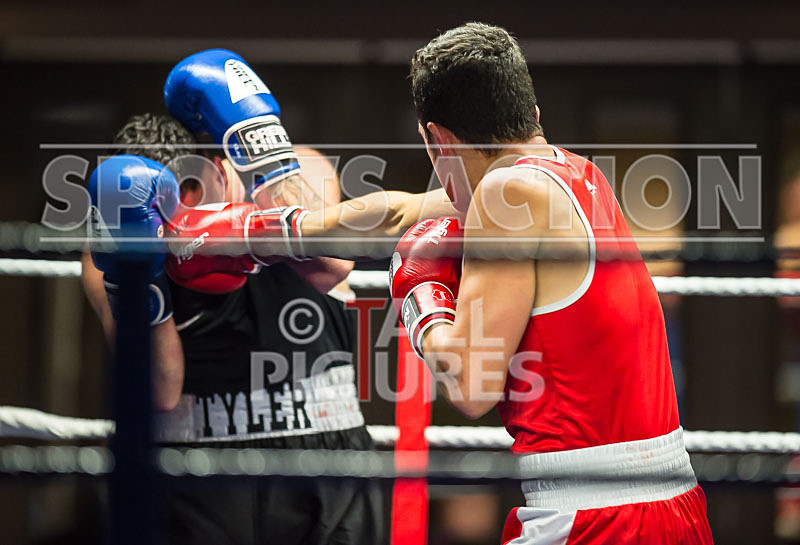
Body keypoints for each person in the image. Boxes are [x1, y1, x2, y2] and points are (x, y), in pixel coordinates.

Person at [388, 23, 714, 544]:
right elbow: (396, 211)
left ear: (439, 141)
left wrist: (421, 300)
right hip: (676, 505)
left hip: (593, 517)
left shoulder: (504, 194)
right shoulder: (582, 176)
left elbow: (470, 386)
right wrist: (295, 228)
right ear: (532, 115)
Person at [82, 112, 384, 545]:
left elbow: (333, 265)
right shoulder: (107, 248)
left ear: (212, 171)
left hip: (324, 460)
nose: (177, 226)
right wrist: (141, 269)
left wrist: (264, 187)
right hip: (196, 473)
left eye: (183, 201)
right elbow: (159, 390)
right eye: (158, 215)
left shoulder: (299, 169)